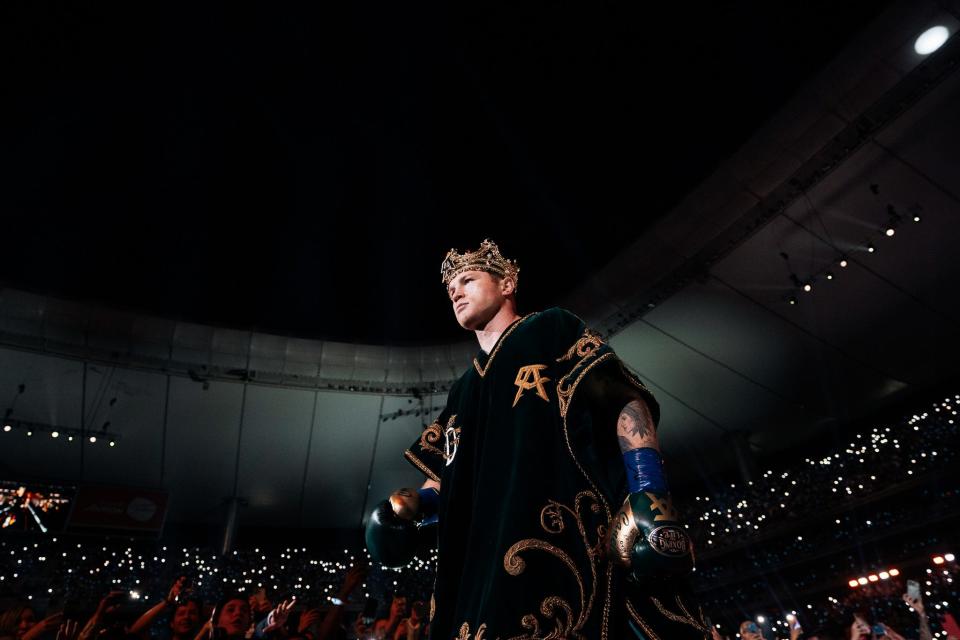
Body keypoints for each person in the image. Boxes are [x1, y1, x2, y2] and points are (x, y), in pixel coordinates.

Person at [365, 240, 706, 639]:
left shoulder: (550, 327)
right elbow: (448, 479)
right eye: (450, 288)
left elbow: (624, 403)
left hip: (561, 555)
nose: (455, 291)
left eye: (467, 279)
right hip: (480, 577)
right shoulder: (461, 391)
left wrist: (649, 491)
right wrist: (409, 510)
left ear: (507, 283)